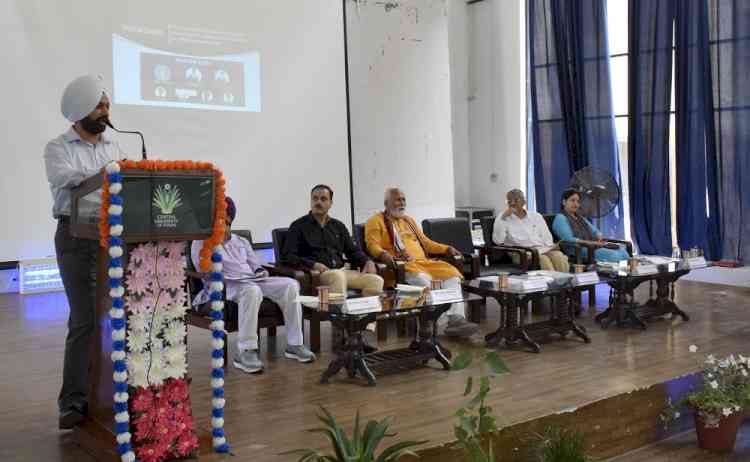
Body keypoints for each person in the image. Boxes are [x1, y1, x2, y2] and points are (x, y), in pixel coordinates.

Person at [44, 75, 127, 430]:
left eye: (107, 105)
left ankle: (112, 392)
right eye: (99, 105)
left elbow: (124, 180)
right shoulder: (57, 147)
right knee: (84, 320)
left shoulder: (113, 146)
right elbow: (67, 178)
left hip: (112, 236)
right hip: (76, 236)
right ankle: (73, 403)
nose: (106, 111)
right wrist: (106, 172)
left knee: (115, 318)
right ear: (80, 111)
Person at [191, 197, 315, 374]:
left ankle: (295, 344)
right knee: (251, 290)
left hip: (250, 280)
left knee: (290, 285)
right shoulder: (201, 242)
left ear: (230, 221)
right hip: (223, 286)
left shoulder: (241, 241)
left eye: (225, 221)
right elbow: (203, 270)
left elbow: (255, 264)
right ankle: (246, 351)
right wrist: (215, 244)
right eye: (217, 220)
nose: (221, 225)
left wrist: (259, 271)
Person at [364, 188, 479, 337]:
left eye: (404, 199)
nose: (402, 203)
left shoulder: (408, 221)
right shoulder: (376, 221)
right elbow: (372, 245)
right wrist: (383, 254)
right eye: (398, 199)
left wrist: (446, 248)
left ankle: (456, 319)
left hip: (425, 263)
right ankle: (442, 322)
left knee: (452, 277)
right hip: (401, 267)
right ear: (386, 203)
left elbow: (426, 243)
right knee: (425, 280)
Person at [281, 184, 384, 296]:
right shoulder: (298, 226)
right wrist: (313, 264)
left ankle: (367, 313)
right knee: (337, 276)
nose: (318, 202)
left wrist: (367, 261)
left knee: (375, 280)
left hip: (342, 271)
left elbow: (352, 251)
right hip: (317, 274)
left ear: (330, 203)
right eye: (315, 198)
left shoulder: (338, 226)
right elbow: (288, 256)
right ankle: (338, 313)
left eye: (323, 199)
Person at [492, 189, 569, 272]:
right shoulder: (502, 218)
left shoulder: (536, 216)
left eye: (516, 200)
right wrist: (503, 218)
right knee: (543, 259)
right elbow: (498, 241)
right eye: (509, 201)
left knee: (559, 256)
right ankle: (551, 283)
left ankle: (565, 283)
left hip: (542, 248)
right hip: (521, 253)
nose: (512, 203)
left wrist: (551, 247)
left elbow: (547, 236)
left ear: (524, 202)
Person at [552, 188, 629, 262]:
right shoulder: (560, 218)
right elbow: (568, 239)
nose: (576, 204)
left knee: (623, 252)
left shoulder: (580, 217)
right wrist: (590, 243)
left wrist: (599, 235)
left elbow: (594, 230)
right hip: (578, 250)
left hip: (592, 246)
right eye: (572, 200)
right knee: (614, 255)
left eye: (578, 201)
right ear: (564, 202)